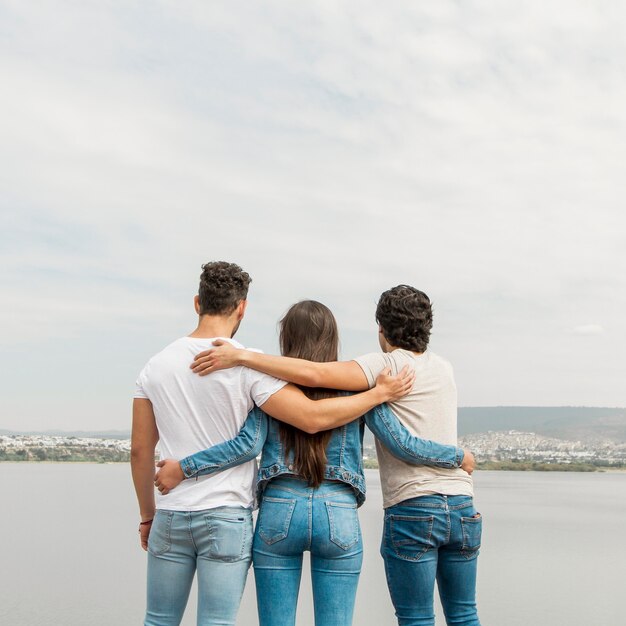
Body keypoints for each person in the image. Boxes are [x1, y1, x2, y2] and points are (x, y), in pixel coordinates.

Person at [154, 300, 475, 626]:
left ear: (287, 339)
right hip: (338, 513)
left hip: (279, 511)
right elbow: (399, 440)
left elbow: (246, 445)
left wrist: (185, 468)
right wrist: (456, 456)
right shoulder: (360, 389)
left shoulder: (270, 384)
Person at [131, 263, 415, 626]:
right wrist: (383, 398)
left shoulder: (156, 366)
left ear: (197, 302)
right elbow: (328, 421)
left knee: (158, 620)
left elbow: (142, 451)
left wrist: (150, 511)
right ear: (242, 307)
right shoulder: (267, 373)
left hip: (244, 511)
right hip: (297, 512)